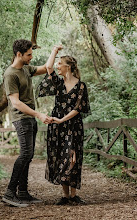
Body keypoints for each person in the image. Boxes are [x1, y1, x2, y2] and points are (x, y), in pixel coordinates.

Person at [37, 45, 90, 205]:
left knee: (73, 157)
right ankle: (65, 196)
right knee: (61, 156)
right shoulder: (59, 84)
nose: (57, 66)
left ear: (68, 67)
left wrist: (62, 120)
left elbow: (78, 108)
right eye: (58, 64)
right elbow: (48, 67)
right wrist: (54, 51)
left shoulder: (81, 86)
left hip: (73, 126)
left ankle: (74, 195)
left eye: (60, 64)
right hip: (58, 127)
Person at [2, 39, 53, 207]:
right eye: (29, 54)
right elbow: (15, 103)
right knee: (25, 154)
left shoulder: (25, 69)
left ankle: (22, 192)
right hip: (21, 118)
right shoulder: (10, 74)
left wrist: (54, 51)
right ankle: (10, 193)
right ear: (19, 54)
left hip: (29, 117)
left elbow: (46, 68)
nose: (31, 57)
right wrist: (38, 114)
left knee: (29, 155)